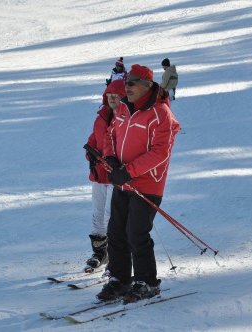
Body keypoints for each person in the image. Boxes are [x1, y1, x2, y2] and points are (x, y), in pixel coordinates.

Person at [97, 64, 180, 303]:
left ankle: (147, 282)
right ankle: (120, 279)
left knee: (136, 233)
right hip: (122, 181)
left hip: (147, 183)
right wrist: (111, 157)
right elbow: (110, 135)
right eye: (126, 82)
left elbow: (160, 152)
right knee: (116, 232)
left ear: (146, 84)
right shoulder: (123, 108)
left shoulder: (161, 113)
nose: (127, 87)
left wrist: (129, 171)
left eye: (132, 83)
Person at [84, 80, 127, 272]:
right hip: (99, 174)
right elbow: (93, 139)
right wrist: (90, 153)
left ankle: (116, 257)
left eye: (116, 96)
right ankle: (100, 253)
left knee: (113, 216)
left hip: (115, 175)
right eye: (109, 95)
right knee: (98, 214)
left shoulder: (128, 119)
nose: (112, 99)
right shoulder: (101, 116)